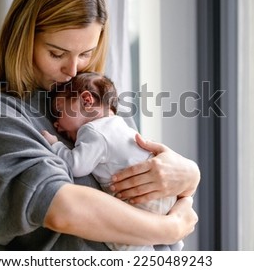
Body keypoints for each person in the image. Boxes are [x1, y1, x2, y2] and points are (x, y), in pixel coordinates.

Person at [0, 0, 200, 250]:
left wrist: (188, 177)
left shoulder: (94, 98)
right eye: (57, 53)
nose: (73, 69)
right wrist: (169, 228)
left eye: (86, 54)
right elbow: (61, 206)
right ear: (23, 39)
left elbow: (150, 185)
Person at [42, 72, 184, 251]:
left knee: (121, 239)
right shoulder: (119, 124)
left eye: (59, 111)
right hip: (161, 192)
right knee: (163, 234)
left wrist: (57, 145)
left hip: (139, 198)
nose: (57, 123)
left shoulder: (93, 131)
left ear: (86, 100)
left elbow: (75, 166)